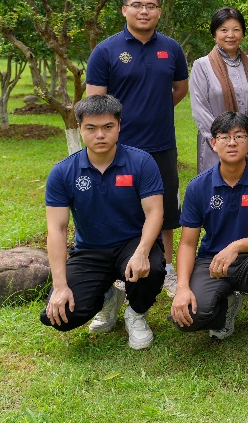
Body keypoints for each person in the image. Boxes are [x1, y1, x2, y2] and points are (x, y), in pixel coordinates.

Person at [85, 0, 189, 297]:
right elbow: (95, 103)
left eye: (151, 6)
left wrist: (154, 109)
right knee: (121, 207)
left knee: (166, 210)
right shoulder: (106, 50)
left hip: (161, 144)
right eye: (137, 5)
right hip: (120, 148)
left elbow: (179, 89)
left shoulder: (171, 48)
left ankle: (166, 269)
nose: (144, 11)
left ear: (159, 11)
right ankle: (120, 267)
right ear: (124, 10)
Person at [39, 95, 165, 350]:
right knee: (60, 316)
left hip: (132, 243)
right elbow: (57, 229)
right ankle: (108, 297)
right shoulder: (62, 172)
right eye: (91, 128)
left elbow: (155, 212)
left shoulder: (141, 162)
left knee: (151, 268)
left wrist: (142, 252)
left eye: (108, 127)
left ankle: (136, 312)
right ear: (80, 129)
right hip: (90, 251)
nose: (100, 135)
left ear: (119, 126)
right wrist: (60, 286)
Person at [171, 111, 248, 367]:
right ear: (213, 143)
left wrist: (238, 246)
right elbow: (187, 244)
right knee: (187, 319)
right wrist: (182, 288)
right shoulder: (198, 186)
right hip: (214, 263)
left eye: (239, 136)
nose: (231, 143)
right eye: (224, 137)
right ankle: (226, 305)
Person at [190, 7, 248, 173]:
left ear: (243, 33)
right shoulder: (202, 66)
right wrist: (224, 141)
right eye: (224, 30)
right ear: (214, 34)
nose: (230, 35)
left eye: (236, 29)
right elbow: (200, 110)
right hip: (216, 148)